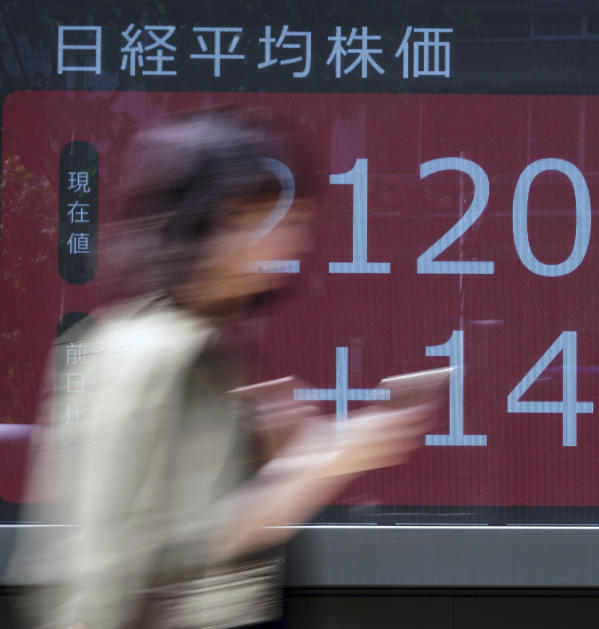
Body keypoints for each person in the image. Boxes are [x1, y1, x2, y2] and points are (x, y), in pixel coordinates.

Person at [12, 108, 434, 629]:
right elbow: (184, 546)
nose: (295, 242)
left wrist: (257, 444)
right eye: (280, 219)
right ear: (223, 220)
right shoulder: (171, 354)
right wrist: (325, 459)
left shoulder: (141, 340)